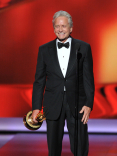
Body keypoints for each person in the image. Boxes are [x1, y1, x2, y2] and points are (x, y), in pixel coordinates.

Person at [32, 10, 94, 156]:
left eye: (64, 26)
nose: (60, 29)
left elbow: (88, 78)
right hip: (52, 104)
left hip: (78, 104)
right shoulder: (44, 50)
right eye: (57, 26)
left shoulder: (83, 47)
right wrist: (36, 107)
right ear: (54, 28)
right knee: (53, 149)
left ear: (71, 28)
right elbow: (39, 81)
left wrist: (89, 103)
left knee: (80, 147)